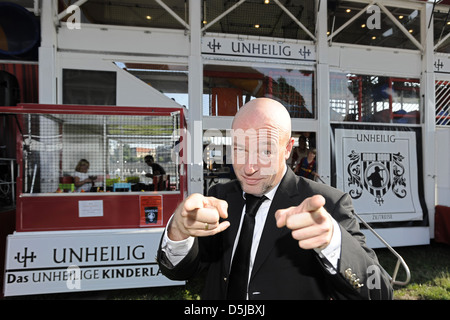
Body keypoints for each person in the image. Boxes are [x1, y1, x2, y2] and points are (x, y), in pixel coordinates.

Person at [157, 98, 393, 300]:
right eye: (239, 149)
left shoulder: (328, 205)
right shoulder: (220, 197)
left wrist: (333, 242)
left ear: (288, 148)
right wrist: (178, 232)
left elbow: (379, 291)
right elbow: (177, 272)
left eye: (265, 151)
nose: (248, 167)